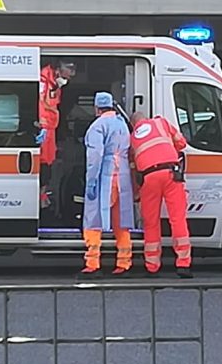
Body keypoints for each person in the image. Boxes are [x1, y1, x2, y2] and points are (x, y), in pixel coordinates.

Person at [130, 114, 193, 277]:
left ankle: (152, 265)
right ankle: (183, 264)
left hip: (148, 177)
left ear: (133, 125)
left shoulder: (132, 138)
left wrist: (136, 192)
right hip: (170, 173)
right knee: (177, 219)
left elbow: (133, 166)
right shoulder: (161, 122)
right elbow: (181, 142)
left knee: (151, 223)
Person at [81, 91, 135, 276]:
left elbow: (95, 157)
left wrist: (91, 181)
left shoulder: (97, 126)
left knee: (93, 219)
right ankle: (124, 262)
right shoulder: (122, 124)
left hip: (105, 176)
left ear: (97, 108)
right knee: (121, 220)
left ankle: (93, 262)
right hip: (123, 177)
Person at [38, 60, 75, 212]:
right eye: (70, 70)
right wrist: (40, 126)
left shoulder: (54, 84)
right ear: (59, 69)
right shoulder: (42, 81)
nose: (71, 75)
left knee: (48, 163)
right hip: (44, 128)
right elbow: (40, 104)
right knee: (42, 164)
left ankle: (43, 197)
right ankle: (41, 197)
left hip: (50, 129)